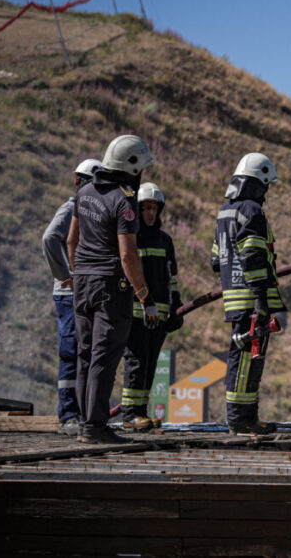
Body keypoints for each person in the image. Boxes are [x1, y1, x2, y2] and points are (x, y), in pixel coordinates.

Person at [66, 135, 155, 444]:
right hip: (110, 289)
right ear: (131, 168)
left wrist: (79, 275)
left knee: (85, 356)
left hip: (83, 284)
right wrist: (144, 294)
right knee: (104, 356)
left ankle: (84, 423)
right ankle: (95, 427)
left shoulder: (84, 191)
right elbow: (128, 255)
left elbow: (70, 242)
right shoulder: (124, 199)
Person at [210, 153, 287, 435]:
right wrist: (260, 298)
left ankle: (244, 418)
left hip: (235, 296)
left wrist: (232, 282)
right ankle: (242, 420)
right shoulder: (252, 212)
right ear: (256, 184)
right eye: (265, 186)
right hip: (252, 299)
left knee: (242, 358)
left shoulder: (225, 212)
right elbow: (254, 256)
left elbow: (216, 260)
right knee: (247, 360)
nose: (266, 193)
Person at [41, 158, 101, 436]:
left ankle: (81, 413)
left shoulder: (88, 212)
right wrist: (65, 274)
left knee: (85, 352)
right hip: (68, 295)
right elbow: (50, 238)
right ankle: (68, 416)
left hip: (83, 293)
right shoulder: (71, 208)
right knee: (71, 353)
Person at [121, 182, 184, 432]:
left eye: (154, 208)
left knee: (149, 365)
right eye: (145, 207)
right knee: (135, 363)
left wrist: (175, 306)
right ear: (137, 210)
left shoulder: (165, 241)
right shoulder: (130, 239)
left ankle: (141, 413)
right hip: (137, 315)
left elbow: (172, 276)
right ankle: (129, 415)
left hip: (159, 317)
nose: (150, 213)